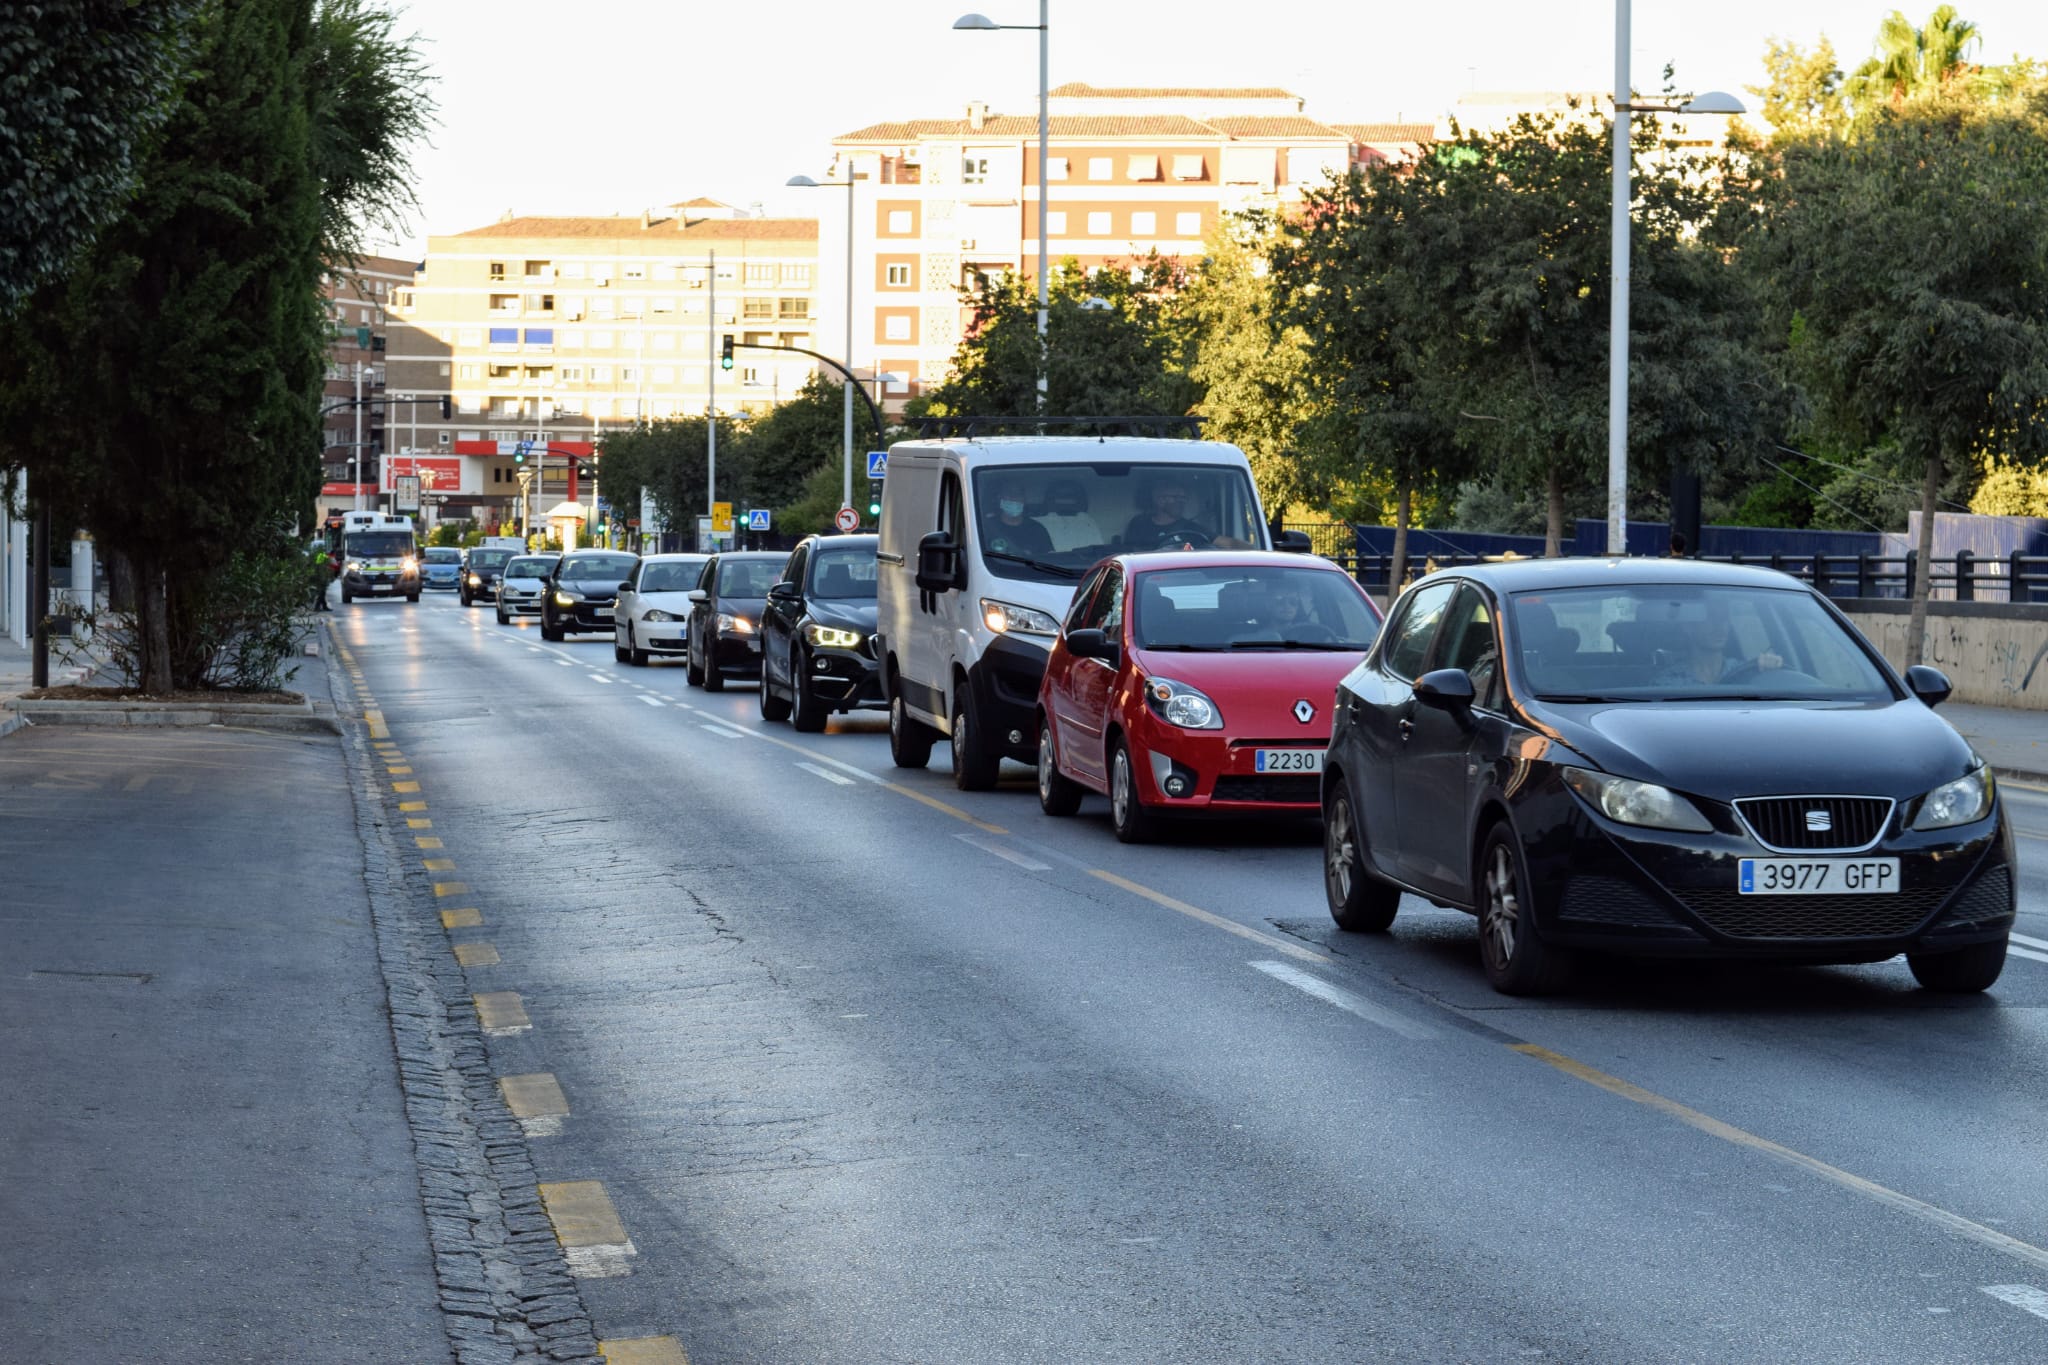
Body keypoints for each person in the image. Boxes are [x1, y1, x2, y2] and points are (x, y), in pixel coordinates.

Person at [1656, 599, 1782, 685]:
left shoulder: (1748, 673)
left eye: (1724, 619)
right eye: (1710, 618)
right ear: (1688, 627)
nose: (1719, 626)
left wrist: (1772, 671)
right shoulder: (1668, 681)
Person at [1122, 476, 1209, 550]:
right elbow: (1131, 553)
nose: (1180, 501)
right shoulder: (1140, 523)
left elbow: (1220, 541)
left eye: (1183, 498)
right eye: (1175, 497)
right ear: (1159, 500)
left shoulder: (1191, 527)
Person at [978, 475, 1052, 558]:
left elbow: (1049, 560)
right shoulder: (985, 528)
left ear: (1024, 499)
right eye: (1009, 493)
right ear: (999, 498)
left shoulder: (1037, 529)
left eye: (1018, 494)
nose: (1013, 497)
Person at [1034, 479, 1106, 552]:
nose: (1065, 499)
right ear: (1049, 499)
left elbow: (1100, 554)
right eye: (1061, 497)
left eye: (1069, 496)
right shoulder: (1035, 525)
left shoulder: (1092, 523)